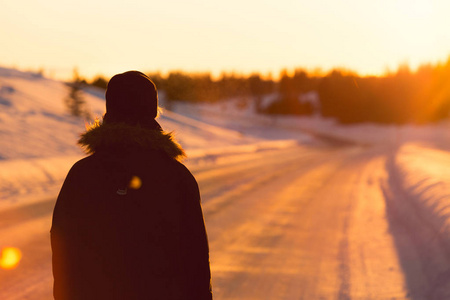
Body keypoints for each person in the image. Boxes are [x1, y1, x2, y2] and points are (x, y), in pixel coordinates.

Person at [51, 71, 213, 300]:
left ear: (109, 109)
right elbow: (196, 260)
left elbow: (63, 254)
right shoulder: (177, 177)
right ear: (152, 111)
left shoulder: (82, 175)